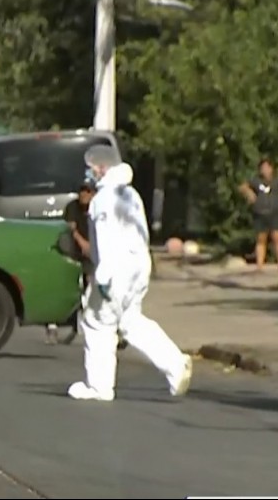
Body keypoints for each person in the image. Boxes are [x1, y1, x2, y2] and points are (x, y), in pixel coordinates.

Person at [68, 145, 193, 401]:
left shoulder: (103, 199)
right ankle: (175, 364)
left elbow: (106, 239)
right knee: (130, 321)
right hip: (138, 266)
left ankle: (98, 386)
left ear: (102, 168)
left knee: (96, 322)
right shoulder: (131, 194)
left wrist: (103, 277)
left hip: (115, 270)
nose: (89, 173)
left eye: (92, 168)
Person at [45, 181, 96, 345]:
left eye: (88, 191)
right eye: (82, 190)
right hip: (73, 250)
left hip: (93, 252)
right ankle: (52, 324)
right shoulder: (73, 207)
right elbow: (71, 228)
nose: (84, 194)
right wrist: (83, 243)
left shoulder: (99, 207)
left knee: (92, 283)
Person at [238, 159, 278, 271]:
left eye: (267, 167)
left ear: (272, 169)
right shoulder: (256, 180)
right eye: (263, 168)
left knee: (277, 239)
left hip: (275, 213)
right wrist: (249, 193)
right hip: (260, 214)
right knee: (260, 240)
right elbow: (242, 187)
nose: (265, 170)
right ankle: (259, 266)